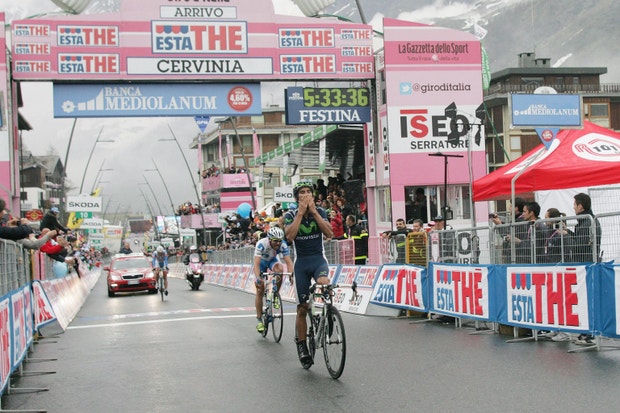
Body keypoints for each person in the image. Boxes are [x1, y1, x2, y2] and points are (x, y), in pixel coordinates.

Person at [284, 181, 333, 368]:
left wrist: (313, 212)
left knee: (324, 281)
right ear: (297, 197)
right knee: (302, 308)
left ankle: (328, 315)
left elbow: (329, 233)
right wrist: (300, 213)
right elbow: (290, 237)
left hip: (318, 259)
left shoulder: (320, 211)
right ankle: (302, 345)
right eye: (302, 192)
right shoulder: (290, 215)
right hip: (301, 264)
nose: (305, 195)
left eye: (308, 192)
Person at [571, 193, 601, 346]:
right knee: (585, 300)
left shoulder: (587, 222)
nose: (573, 207)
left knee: (588, 300)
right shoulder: (586, 221)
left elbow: (580, 246)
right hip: (586, 266)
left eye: (575, 204)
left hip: (587, 266)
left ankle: (590, 334)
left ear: (580, 206)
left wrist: (568, 237)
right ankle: (586, 332)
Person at [252, 226, 294, 333]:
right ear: (269, 239)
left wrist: (291, 274)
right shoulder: (261, 244)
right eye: (275, 241)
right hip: (261, 262)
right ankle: (259, 320)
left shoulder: (283, 244)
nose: (278, 243)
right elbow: (256, 264)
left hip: (272, 260)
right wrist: (258, 278)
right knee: (260, 289)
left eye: (280, 241)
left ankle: (275, 294)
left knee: (280, 270)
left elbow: (288, 261)